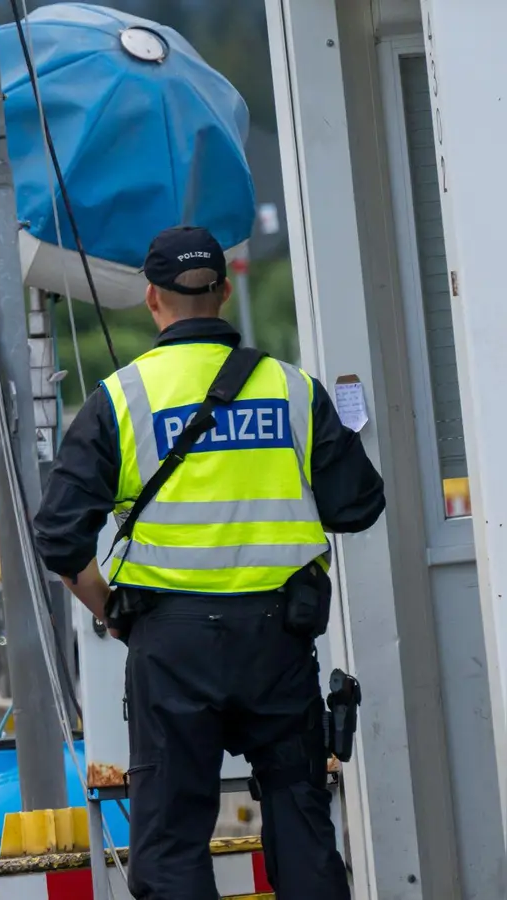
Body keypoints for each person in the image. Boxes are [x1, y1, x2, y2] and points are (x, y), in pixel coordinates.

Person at [32, 226, 384, 900]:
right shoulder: (292, 389)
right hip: (279, 641)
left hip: (171, 645)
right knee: (302, 822)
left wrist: (111, 611)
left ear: (151, 299)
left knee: (170, 844)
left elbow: (57, 535)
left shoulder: (121, 399)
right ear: (224, 291)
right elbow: (359, 505)